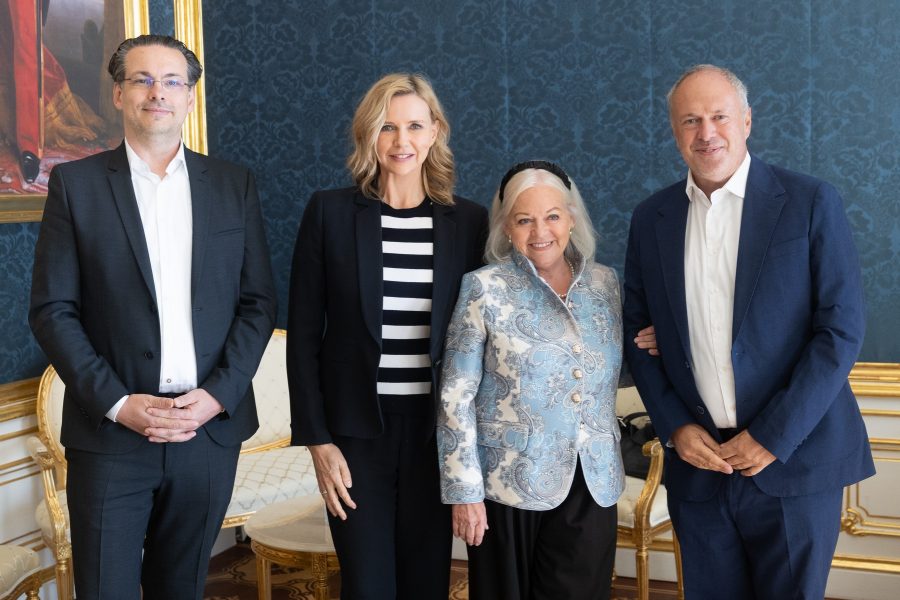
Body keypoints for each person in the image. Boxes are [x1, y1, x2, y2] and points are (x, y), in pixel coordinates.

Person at [29, 34, 277, 600]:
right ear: (118, 94)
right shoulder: (77, 186)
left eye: (171, 82)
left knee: (183, 588)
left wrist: (218, 395)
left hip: (206, 431)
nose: (156, 92)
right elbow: (52, 310)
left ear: (190, 97)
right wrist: (118, 403)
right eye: (141, 79)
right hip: (112, 435)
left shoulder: (233, 184)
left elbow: (257, 302)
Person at [623, 64, 874, 599]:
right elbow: (636, 334)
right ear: (674, 131)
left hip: (793, 462)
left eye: (718, 116)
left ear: (747, 120)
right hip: (700, 466)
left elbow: (840, 331)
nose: (706, 132)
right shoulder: (651, 218)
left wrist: (772, 437)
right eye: (690, 120)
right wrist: (674, 427)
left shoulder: (809, 202)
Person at [287, 73, 488, 599]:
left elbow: (494, 325)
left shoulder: (467, 222)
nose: (402, 142)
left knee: (426, 581)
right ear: (368, 136)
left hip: (432, 434)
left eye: (415, 126)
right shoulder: (329, 213)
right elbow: (304, 335)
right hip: (354, 437)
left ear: (435, 132)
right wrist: (318, 439)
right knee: (367, 584)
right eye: (387, 128)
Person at [437, 161, 654, 600]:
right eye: (524, 219)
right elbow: (455, 395)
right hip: (506, 485)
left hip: (592, 479)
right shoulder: (483, 288)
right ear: (506, 227)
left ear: (572, 219)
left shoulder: (605, 284)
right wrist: (464, 491)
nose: (541, 231)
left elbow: (614, 368)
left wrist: (661, 341)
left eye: (553, 215)